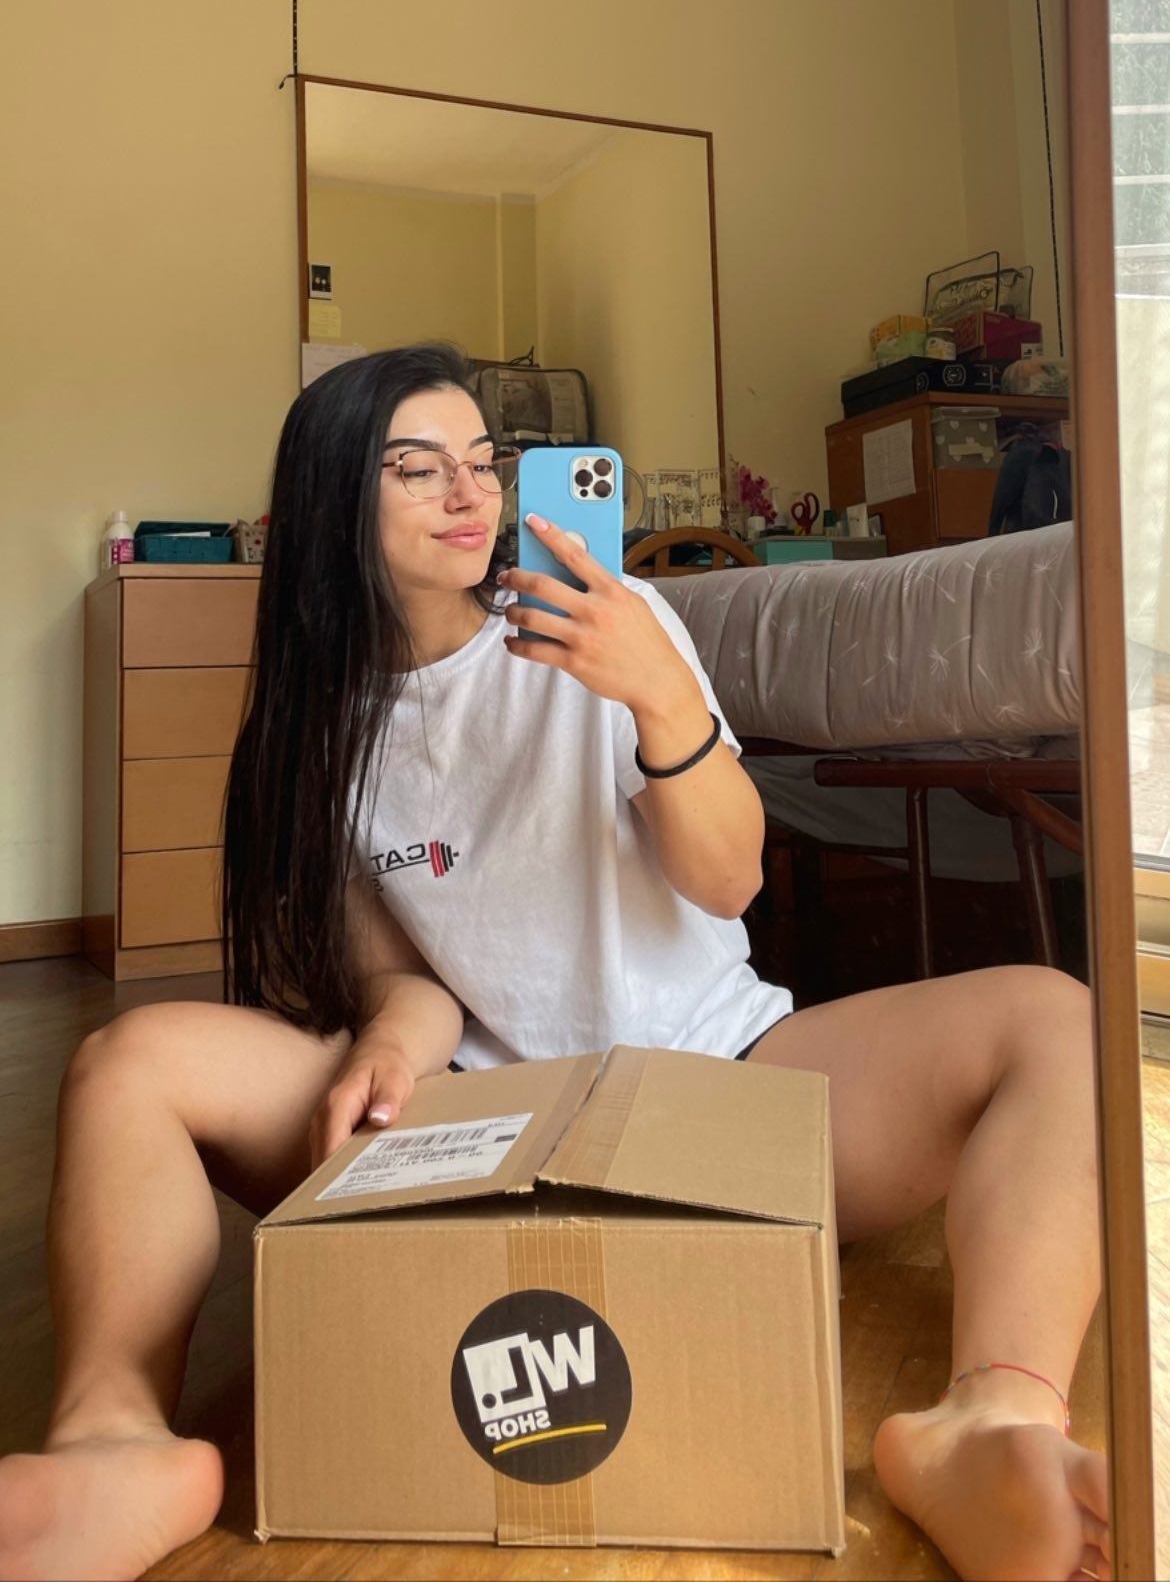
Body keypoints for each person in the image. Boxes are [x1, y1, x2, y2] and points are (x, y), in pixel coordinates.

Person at [0, 343, 1108, 1582]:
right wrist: (385, 1047)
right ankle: (113, 1441)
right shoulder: (326, 735)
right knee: (129, 1061)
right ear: (331, 501)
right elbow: (404, 977)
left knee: (1053, 1019)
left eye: (483, 461)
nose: (469, 493)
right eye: (417, 468)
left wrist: (662, 700)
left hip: (719, 1077)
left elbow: (731, 880)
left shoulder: (609, 626)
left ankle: (994, 1415)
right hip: (483, 1118)